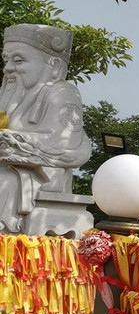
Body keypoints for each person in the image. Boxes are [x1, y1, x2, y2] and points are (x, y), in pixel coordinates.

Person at [0, 24, 92, 233]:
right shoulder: (6, 93)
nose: (8, 68)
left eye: (18, 60)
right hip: (9, 167)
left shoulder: (62, 92)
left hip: (41, 175)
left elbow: (63, 143)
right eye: (6, 60)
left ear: (54, 65)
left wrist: (12, 143)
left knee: (2, 181)